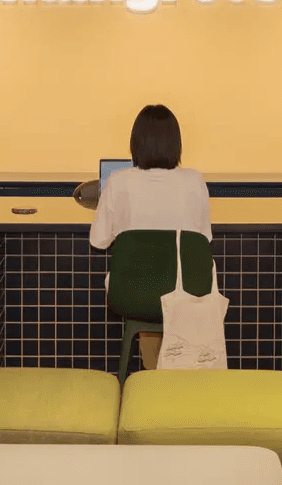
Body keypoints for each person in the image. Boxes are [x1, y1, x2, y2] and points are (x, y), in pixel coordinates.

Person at [90, 104, 211, 369]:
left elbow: (97, 240)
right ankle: (172, 379)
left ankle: (151, 379)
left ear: (135, 143)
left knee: (149, 290)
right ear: (176, 143)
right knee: (169, 289)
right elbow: (203, 239)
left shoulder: (119, 182)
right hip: (187, 292)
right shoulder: (195, 181)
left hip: (133, 295)